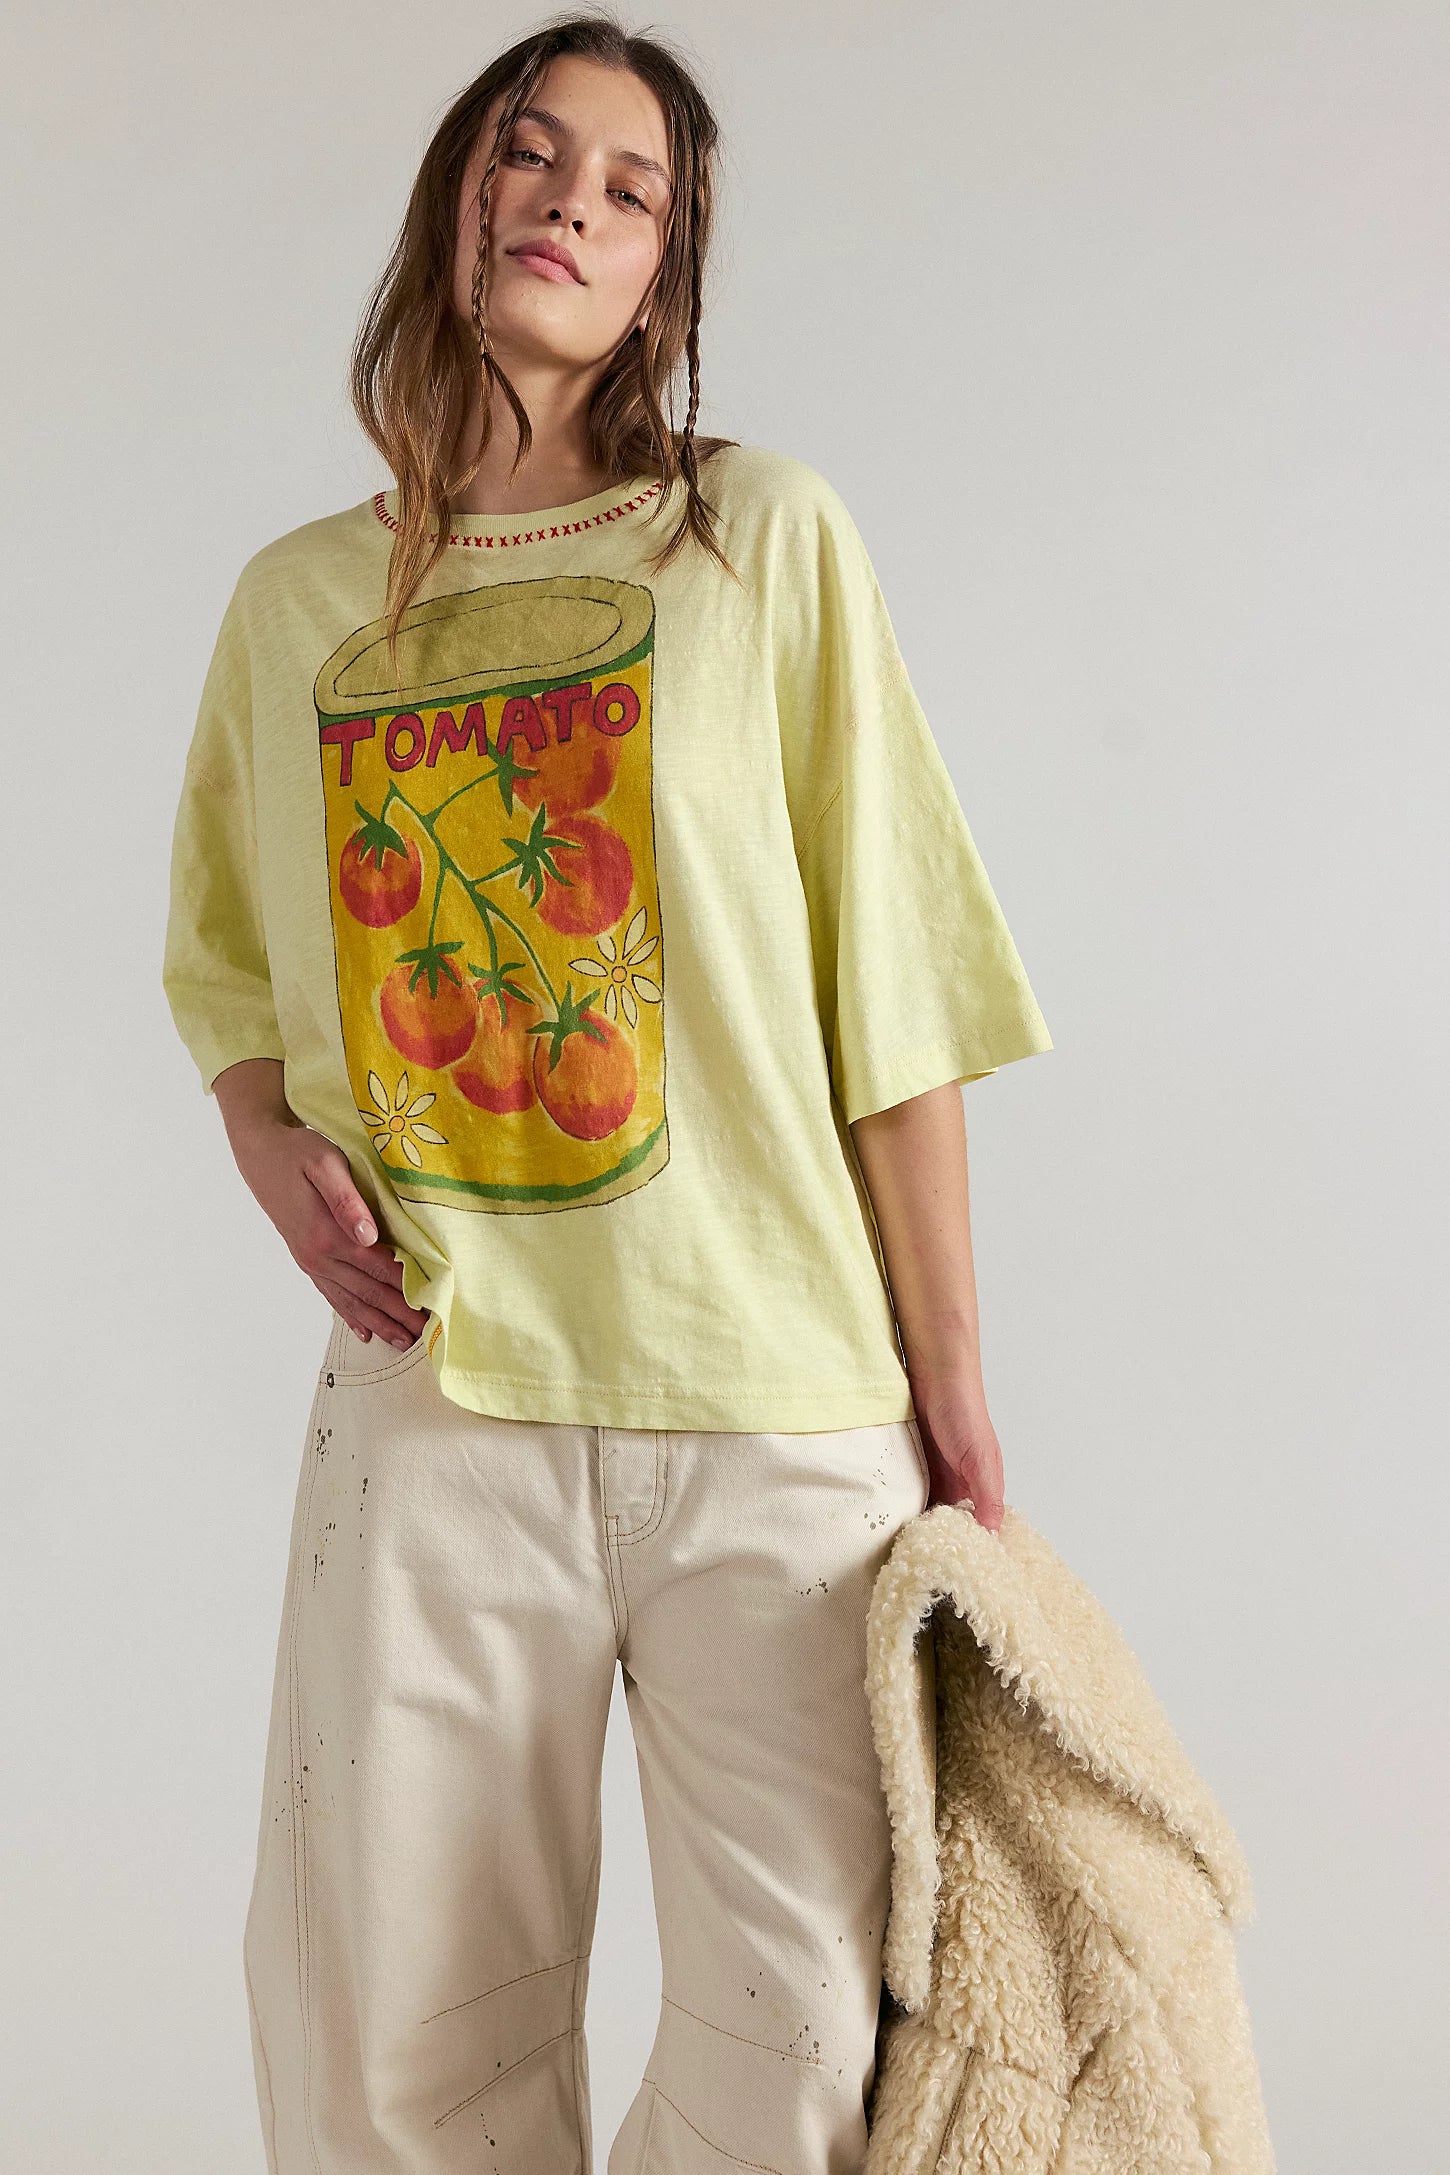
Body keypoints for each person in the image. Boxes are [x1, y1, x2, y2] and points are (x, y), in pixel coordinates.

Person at [161, 13, 1054, 2172]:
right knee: (402, 2047)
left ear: (662, 275)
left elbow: (892, 988)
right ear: (453, 200)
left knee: (807, 2041)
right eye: (529, 151)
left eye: (629, 186)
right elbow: (229, 959)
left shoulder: (759, 542)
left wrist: (950, 1401)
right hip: (438, 1398)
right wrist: (263, 1134)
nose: (570, 198)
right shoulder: (296, 603)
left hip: (773, 1401)